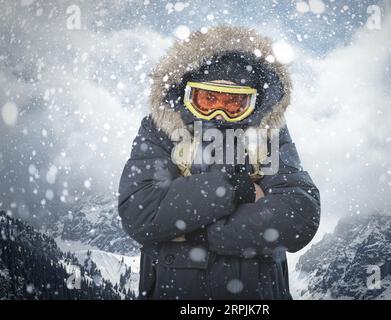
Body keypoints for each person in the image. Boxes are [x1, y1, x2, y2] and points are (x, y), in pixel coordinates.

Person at [118, 25, 320, 300]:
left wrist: (195, 232)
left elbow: (299, 217)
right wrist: (238, 191)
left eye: (234, 103)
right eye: (208, 99)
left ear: (253, 103)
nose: (219, 113)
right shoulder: (161, 130)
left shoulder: (267, 133)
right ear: (188, 97)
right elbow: (141, 214)